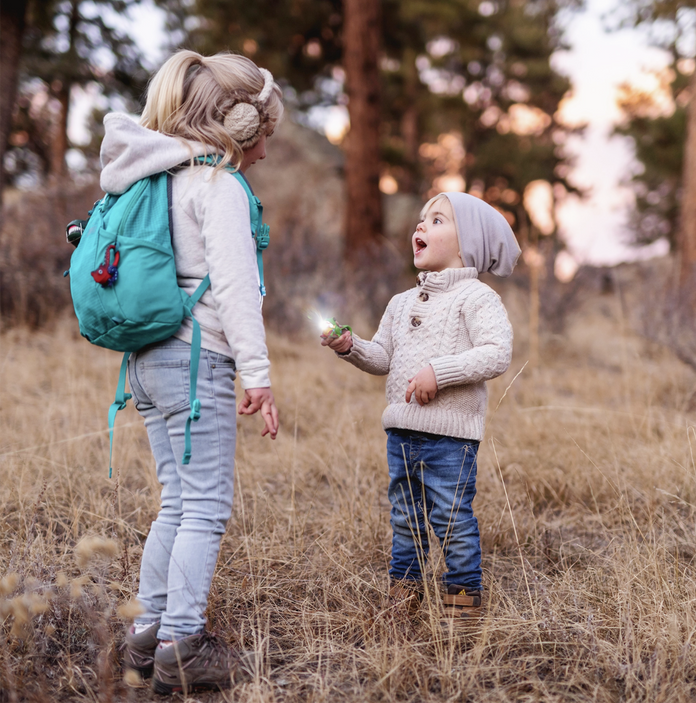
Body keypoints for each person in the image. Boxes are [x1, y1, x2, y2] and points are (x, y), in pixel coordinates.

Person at [105, 50, 281, 694]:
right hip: (197, 362)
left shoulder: (159, 179)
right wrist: (256, 374)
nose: (268, 146)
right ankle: (184, 646)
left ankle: (145, 638)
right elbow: (236, 289)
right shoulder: (220, 188)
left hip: (147, 363)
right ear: (239, 125)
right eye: (266, 131)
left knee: (175, 503)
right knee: (205, 508)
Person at [322, 192, 520, 619]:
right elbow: (382, 358)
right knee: (405, 516)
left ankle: (462, 600)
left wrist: (439, 372)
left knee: (451, 519)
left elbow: (497, 353)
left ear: (468, 243)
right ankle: (405, 594)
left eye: (436, 220)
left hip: (450, 437)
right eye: (420, 220)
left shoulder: (476, 298)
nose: (420, 227)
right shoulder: (400, 303)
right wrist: (350, 346)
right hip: (401, 433)